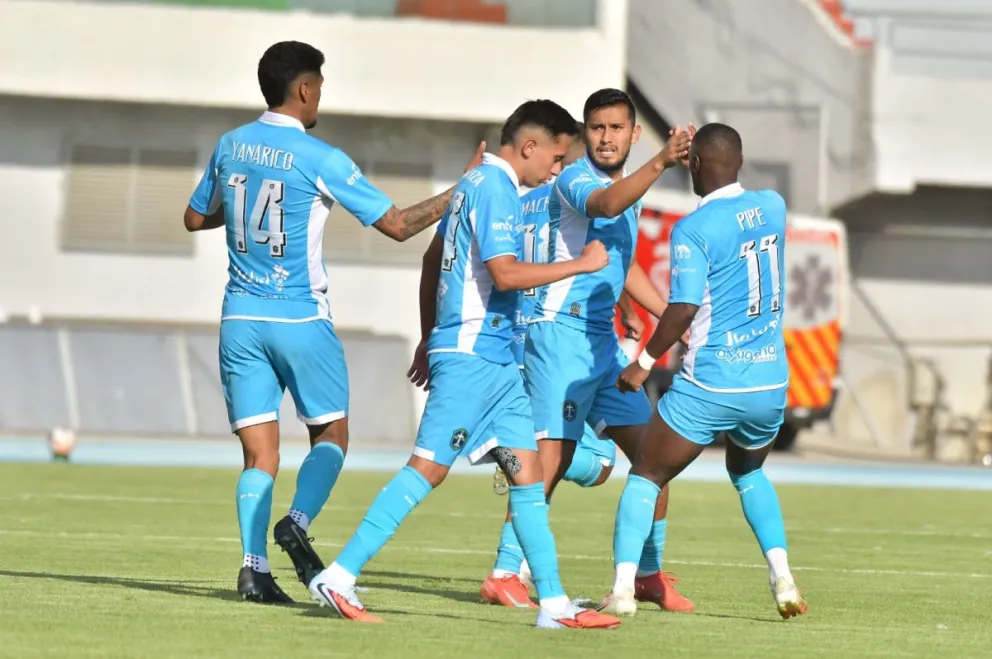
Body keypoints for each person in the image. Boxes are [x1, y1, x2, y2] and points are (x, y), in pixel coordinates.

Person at [183, 40, 484, 604]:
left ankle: (253, 570)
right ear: (302, 89)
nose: (321, 94)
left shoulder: (231, 145)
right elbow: (397, 225)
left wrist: (246, 200)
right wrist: (462, 190)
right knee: (331, 434)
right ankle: (296, 521)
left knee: (259, 455)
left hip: (240, 319)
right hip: (299, 316)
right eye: (319, 85)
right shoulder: (322, 157)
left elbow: (196, 216)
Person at [306, 100, 621, 630]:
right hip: (475, 356)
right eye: (557, 157)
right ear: (528, 147)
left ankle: (554, 606)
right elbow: (503, 274)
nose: (558, 169)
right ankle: (337, 576)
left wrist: (431, 334)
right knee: (427, 469)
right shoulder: (494, 188)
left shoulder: (474, 183)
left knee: (530, 476)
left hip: (496, 360)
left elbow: (435, 261)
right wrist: (581, 264)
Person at [480, 88, 696, 613]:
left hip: (600, 345)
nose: (605, 138)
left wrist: (673, 322)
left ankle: (648, 574)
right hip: (558, 335)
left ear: (632, 133)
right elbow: (605, 204)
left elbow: (624, 267)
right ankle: (506, 572)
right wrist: (663, 161)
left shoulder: (626, 188)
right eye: (596, 128)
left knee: (654, 456)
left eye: (615, 128)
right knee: (550, 456)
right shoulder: (579, 178)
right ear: (584, 133)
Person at [604, 122, 807, 619]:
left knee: (647, 474)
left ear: (693, 165)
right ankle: (782, 578)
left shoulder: (692, 230)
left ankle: (624, 590)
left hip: (712, 382)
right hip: (769, 382)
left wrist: (643, 363)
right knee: (749, 473)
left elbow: (682, 310)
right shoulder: (774, 206)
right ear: (738, 162)